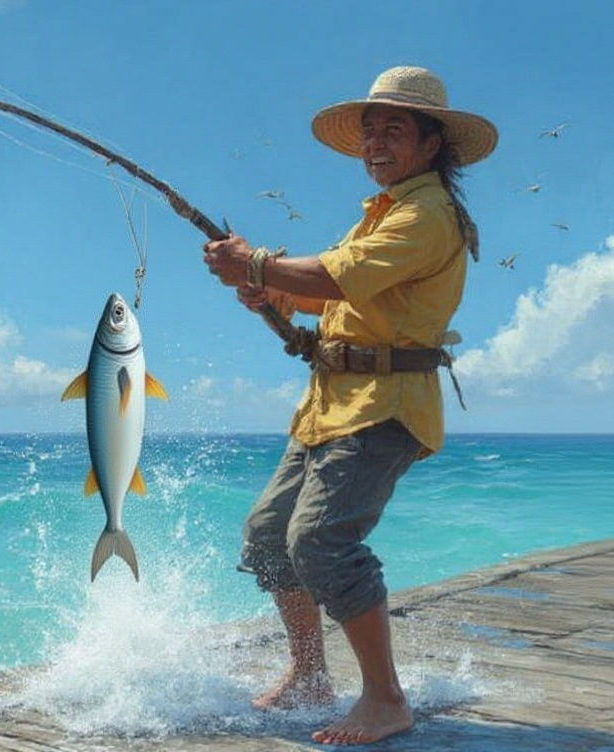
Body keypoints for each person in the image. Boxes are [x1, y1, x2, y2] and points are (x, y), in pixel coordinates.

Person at [202, 65, 496, 745]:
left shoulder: (427, 214)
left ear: (432, 145)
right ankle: (310, 676)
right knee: (269, 541)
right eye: (369, 131)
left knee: (321, 542)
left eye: (394, 129)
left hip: (383, 409)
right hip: (329, 407)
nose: (375, 142)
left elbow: (337, 275)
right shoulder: (385, 213)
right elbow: (327, 290)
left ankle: (386, 699)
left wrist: (258, 267)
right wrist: (270, 287)